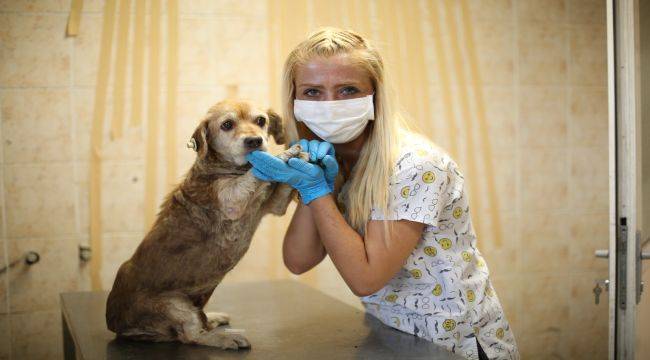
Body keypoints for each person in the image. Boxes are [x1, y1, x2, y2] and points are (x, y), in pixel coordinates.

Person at [245, 27, 519, 360]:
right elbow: (299, 260)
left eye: (348, 90)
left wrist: (316, 191)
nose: (330, 104)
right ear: (294, 100)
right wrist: (317, 184)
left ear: (375, 94)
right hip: (392, 339)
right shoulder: (335, 159)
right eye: (313, 91)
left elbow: (366, 278)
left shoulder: (415, 166)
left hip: (453, 344)